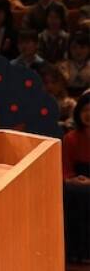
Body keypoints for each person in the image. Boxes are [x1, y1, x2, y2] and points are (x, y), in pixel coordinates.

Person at [62, 94, 90, 264]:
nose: (89, 114)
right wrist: (70, 179)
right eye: (86, 110)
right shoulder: (71, 138)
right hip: (76, 184)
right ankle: (74, 252)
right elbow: (64, 168)